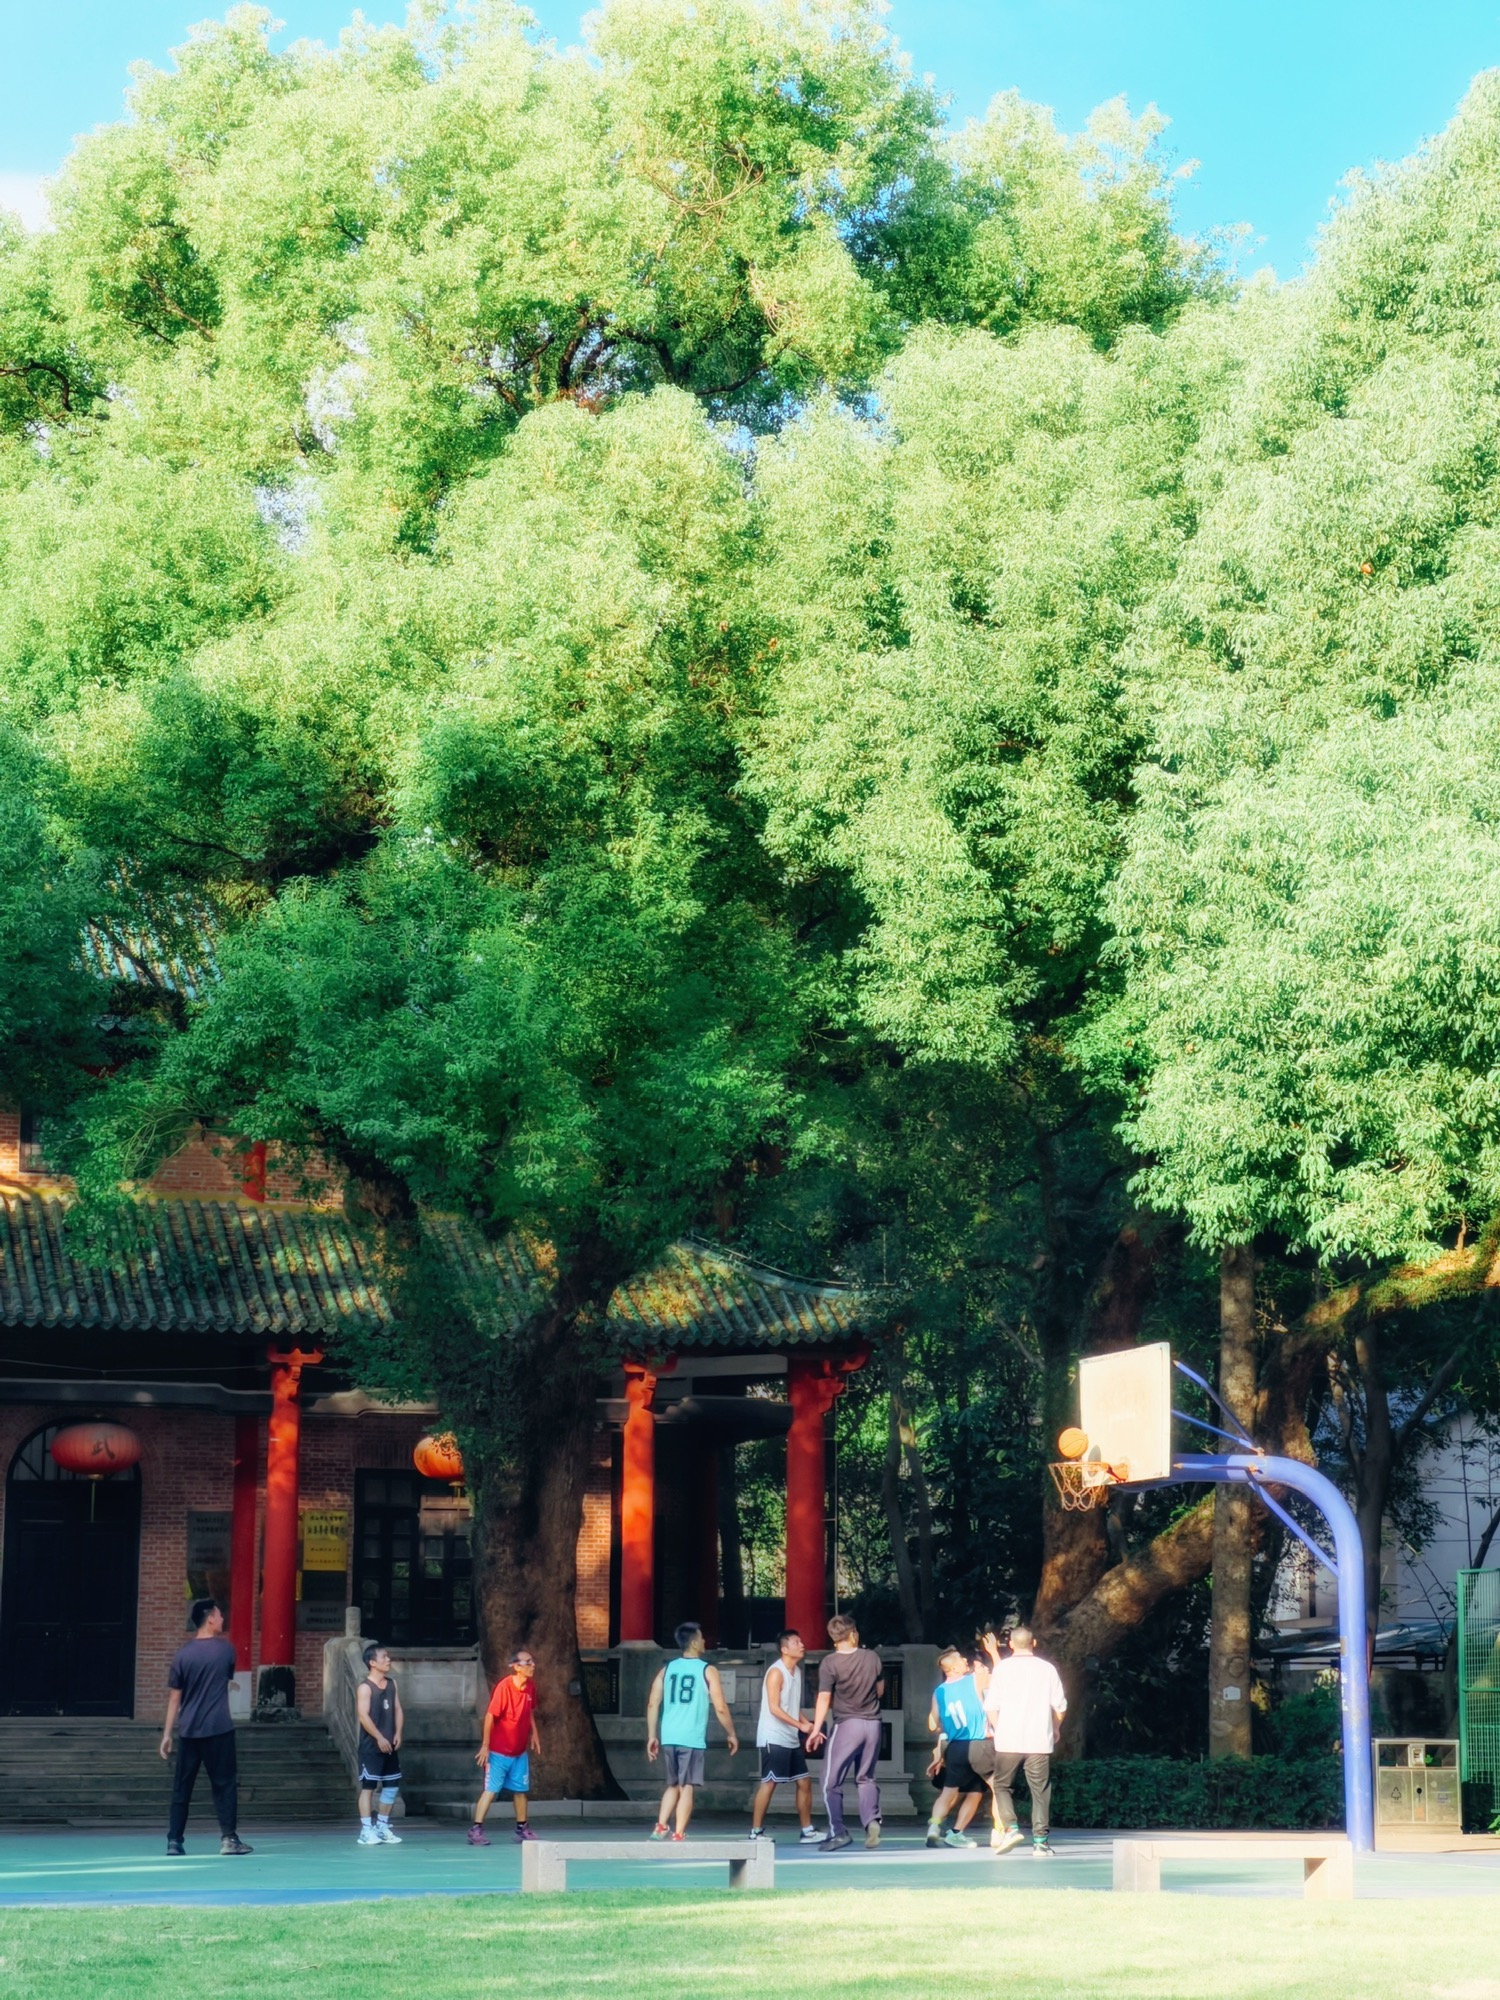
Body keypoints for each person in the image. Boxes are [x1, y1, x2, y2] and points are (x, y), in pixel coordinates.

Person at [160, 1597, 253, 1858]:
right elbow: (226, 1679)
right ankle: (229, 1839)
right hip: (219, 1728)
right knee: (224, 1785)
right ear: (210, 1618)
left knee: (182, 1787)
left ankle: (174, 1841)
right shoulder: (226, 1651)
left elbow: (174, 1698)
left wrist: (167, 1734)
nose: (222, 1619)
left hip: (188, 1730)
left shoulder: (182, 1655)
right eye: (220, 1615)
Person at [646, 1621, 739, 1840]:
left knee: (673, 1784)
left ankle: (661, 1826)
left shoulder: (667, 1669)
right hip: (691, 1737)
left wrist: (652, 1735)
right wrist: (731, 1733)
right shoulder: (707, 1670)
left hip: (669, 1735)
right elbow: (720, 1706)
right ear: (695, 1643)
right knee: (687, 1786)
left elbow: (652, 1703)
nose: (705, 1641)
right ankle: (678, 1833)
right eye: (702, 1638)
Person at [983, 1624, 1068, 1858]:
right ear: (1034, 1643)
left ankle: (1011, 1829)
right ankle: (1041, 1843)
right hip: (1039, 1740)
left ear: (1010, 1644)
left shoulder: (1002, 1668)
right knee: (1040, 1791)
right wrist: (1056, 1727)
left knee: (1001, 1786)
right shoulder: (1047, 1669)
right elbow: (1060, 1706)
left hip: (1008, 1740)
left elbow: (990, 1706)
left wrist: (1000, 1729)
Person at [806, 1613, 884, 1851]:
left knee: (830, 1781)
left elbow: (824, 1697)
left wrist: (816, 1729)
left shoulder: (830, 1663)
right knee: (865, 1777)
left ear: (834, 1638)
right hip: (873, 1724)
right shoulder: (872, 1657)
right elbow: (880, 1691)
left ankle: (838, 1832)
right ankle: (871, 1821)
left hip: (847, 1725)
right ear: (853, 1635)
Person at [749, 1629, 820, 1844]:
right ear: (784, 1649)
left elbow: (792, 1706)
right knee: (769, 1782)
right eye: (796, 1642)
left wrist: (807, 1724)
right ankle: (756, 1832)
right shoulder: (776, 1672)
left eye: (801, 1641)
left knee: (804, 1781)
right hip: (773, 1737)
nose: (802, 1645)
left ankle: (807, 1831)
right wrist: (801, 1726)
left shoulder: (796, 1671)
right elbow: (775, 1708)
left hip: (790, 1737)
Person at [468, 1648, 541, 1845]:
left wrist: (534, 1733)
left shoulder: (530, 1686)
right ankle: (476, 1829)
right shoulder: (504, 1687)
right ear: (516, 1667)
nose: (532, 1665)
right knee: (491, 1790)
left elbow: (529, 1710)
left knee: (520, 1791)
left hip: (519, 1752)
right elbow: (490, 1716)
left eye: (532, 1662)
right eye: (528, 1663)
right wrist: (485, 1746)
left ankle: (522, 1828)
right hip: (499, 1752)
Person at [924, 1646, 991, 1848]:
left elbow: (933, 1724)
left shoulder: (939, 1691)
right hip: (978, 1743)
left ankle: (934, 1827)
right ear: (953, 1668)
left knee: (948, 1792)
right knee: (982, 1791)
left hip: (955, 1747)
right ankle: (957, 1832)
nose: (965, 1661)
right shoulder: (974, 1680)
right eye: (961, 1660)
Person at [355, 1641, 405, 1845]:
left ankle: (382, 1827)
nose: (388, 1660)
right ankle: (366, 1830)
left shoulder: (392, 1684)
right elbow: (363, 1716)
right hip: (371, 1747)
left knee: (392, 1785)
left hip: (390, 1745)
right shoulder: (365, 1688)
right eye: (384, 1657)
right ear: (372, 1662)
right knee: (369, 1786)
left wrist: (398, 1733)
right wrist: (379, 1737)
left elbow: (398, 1709)